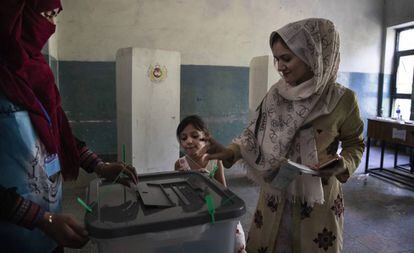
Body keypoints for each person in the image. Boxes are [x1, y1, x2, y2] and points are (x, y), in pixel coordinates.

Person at [205, 18, 365, 252]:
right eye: (276, 59)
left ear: (314, 56)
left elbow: (355, 144)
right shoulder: (276, 94)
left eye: (286, 58)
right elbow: (253, 135)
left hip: (319, 201)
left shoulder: (342, 100)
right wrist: (231, 151)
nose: (280, 67)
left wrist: (343, 164)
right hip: (275, 196)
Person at [0, 1, 138, 252]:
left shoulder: (36, 71)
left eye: (55, 16)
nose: (51, 26)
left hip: (49, 228)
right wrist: (41, 219)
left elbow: (56, 132)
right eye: (45, 15)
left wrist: (100, 165)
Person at [175, 115, 246, 253]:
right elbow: (180, 196)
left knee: (234, 241)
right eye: (183, 138)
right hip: (193, 212)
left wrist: (208, 181)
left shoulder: (215, 161)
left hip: (214, 210)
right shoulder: (180, 164)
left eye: (194, 136)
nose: (189, 141)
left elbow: (224, 191)